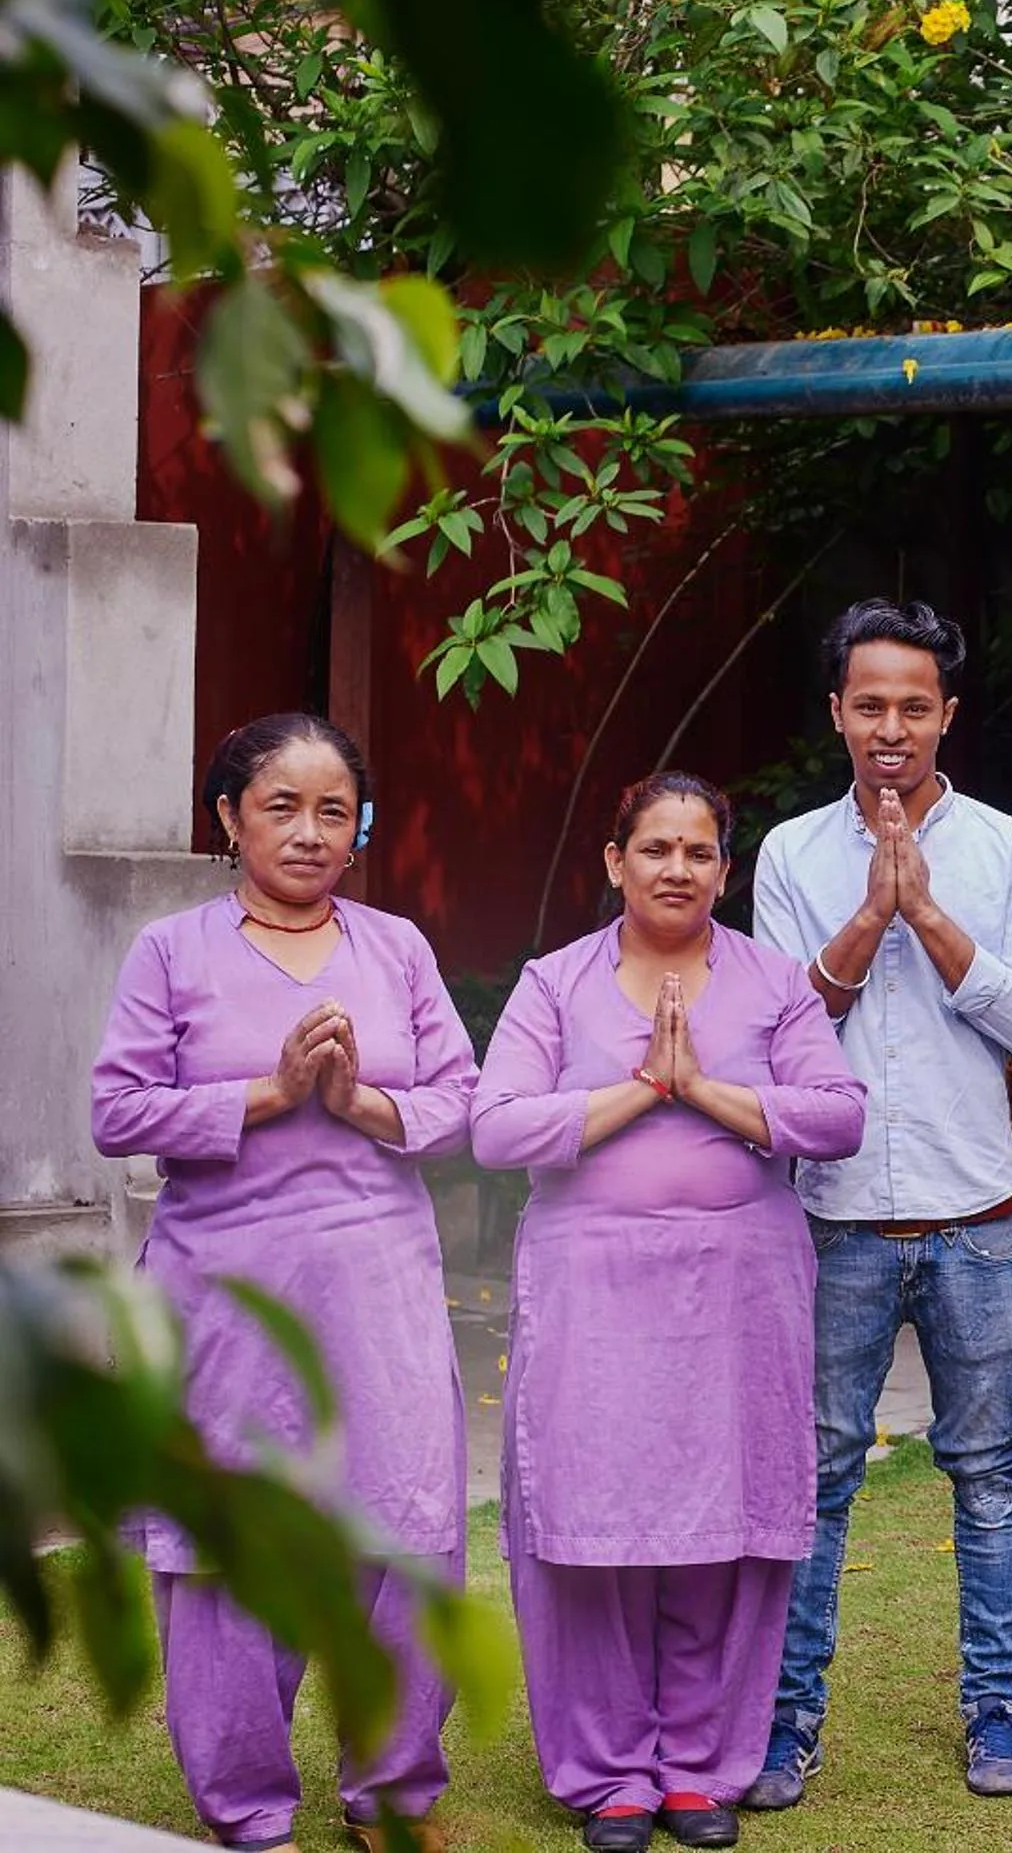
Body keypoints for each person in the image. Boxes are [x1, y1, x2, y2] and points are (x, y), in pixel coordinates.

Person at [90, 713, 474, 1853]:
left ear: (361, 824)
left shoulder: (397, 946)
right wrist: (267, 1091)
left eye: (335, 809)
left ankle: (394, 1788)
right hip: (226, 1296)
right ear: (227, 816)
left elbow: (461, 1097)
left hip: (381, 1283)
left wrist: (361, 1103)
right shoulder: (170, 950)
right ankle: (249, 1809)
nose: (312, 831)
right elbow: (116, 1110)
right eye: (282, 805)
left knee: (407, 1526)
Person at [472, 774, 867, 1852]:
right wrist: (646, 1086)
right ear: (615, 861)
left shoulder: (774, 981)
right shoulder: (555, 984)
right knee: (592, 1527)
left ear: (724, 872)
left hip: (738, 1295)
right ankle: (607, 1775)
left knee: (720, 1530)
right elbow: (496, 1128)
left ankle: (701, 1768)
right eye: (655, 848)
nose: (677, 868)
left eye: (699, 851)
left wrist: (703, 1089)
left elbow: (837, 1117)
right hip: (590, 1291)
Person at [745, 600, 1012, 1806]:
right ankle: (787, 1720)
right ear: (837, 711)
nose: (891, 727)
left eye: (913, 705)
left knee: (986, 1472)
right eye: (868, 703)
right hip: (831, 1219)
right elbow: (782, 1030)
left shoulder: (1008, 850)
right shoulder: (788, 854)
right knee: (817, 1474)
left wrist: (926, 909)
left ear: (948, 715)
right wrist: (870, 909)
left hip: (978, 1215)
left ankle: (995, 1709)